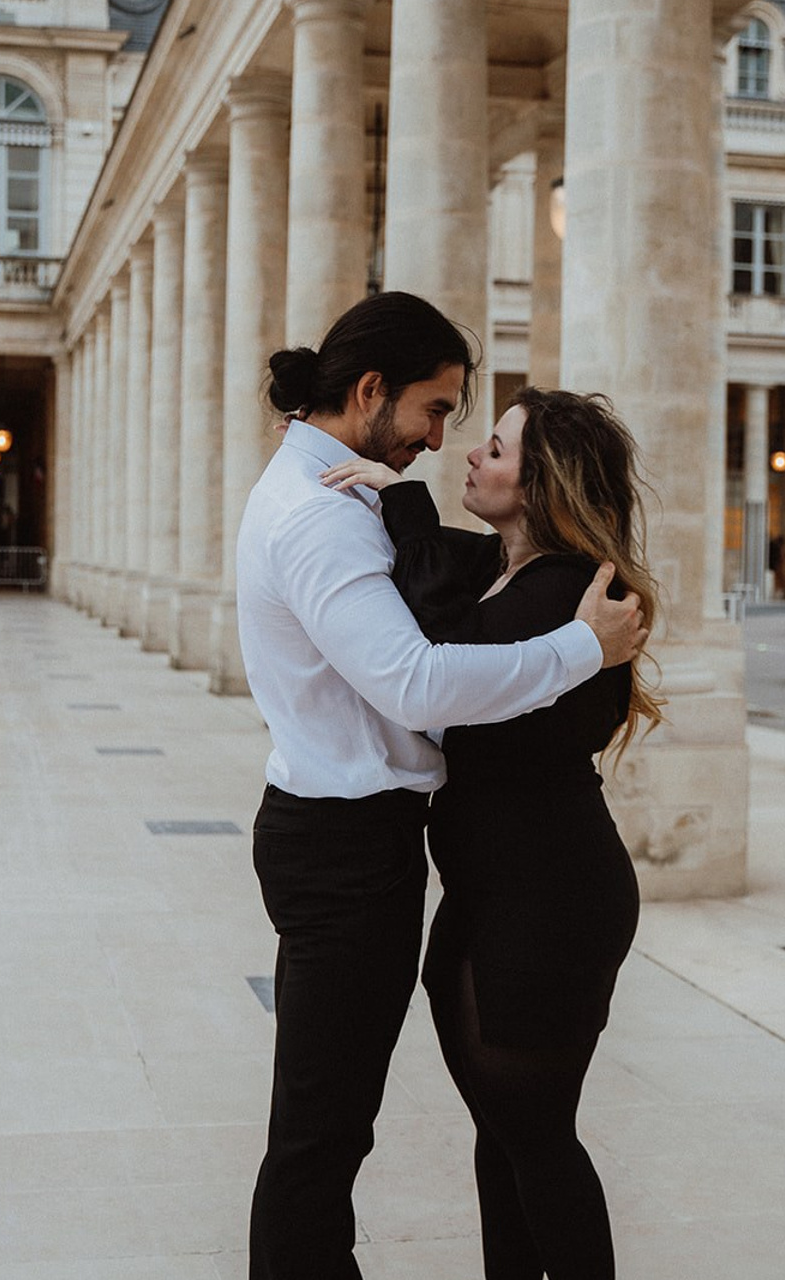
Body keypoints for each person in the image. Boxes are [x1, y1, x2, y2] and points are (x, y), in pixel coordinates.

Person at [234, 292, 648, 1280]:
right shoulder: (324, 515)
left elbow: (443, 609)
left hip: (506, 884)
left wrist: (397, 497)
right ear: (370, 390)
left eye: (482, 438)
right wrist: (580, 649)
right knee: (328, 1134)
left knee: (476, 1130)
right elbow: (422, 678)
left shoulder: (534, 574)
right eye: (434, 410)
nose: (438, 441)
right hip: (355, 851)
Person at [322, 386, 664, 1279]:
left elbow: (445, 653)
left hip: (550, 901)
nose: (471, 454)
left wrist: (403, 498)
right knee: (506, 1132)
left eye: (499, 450)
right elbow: (446, 567)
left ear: (543, 484)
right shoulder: (507, 568)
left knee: (536, 1137)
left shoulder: (568, 590)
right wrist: (394, 494)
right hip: (493, 893)